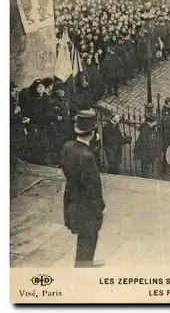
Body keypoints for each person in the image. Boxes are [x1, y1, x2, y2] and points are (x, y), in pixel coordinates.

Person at [60, 110, 106, 268]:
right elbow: (93, 186)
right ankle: (83, 269)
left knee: (83, 238)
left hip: (72, 199)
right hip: (86, 205)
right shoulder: (87, 157)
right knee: (89, 238)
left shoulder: (68, 147)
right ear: (92, 133)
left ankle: (86, 263)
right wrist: (100, 207)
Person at [134, 112, 160, 178]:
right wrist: (150, 153)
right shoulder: (145, 129)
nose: (156, 122)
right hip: (146, 153)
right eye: (156, 121)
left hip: (150, 152)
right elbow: (145, 143)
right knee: (146, 169)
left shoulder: (151, 128)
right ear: (152, 121)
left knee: (149, 168)